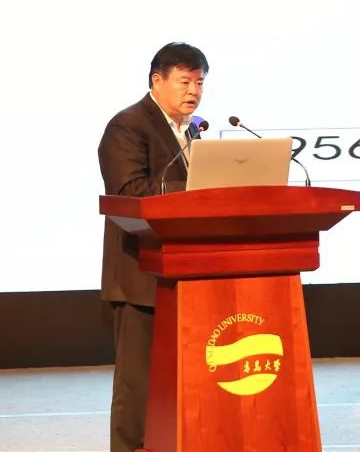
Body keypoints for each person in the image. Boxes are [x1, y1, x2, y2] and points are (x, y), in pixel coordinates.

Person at [97, 42, 209, 452]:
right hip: (140, 275)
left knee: (184, 382)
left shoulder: (192, 130)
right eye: (184, 81)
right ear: (156, 81)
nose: (193, 91)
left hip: (186, 273)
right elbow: (128, 192)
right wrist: (199, 187)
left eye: (200, 82)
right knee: (138, 386)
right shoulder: (127, 125)